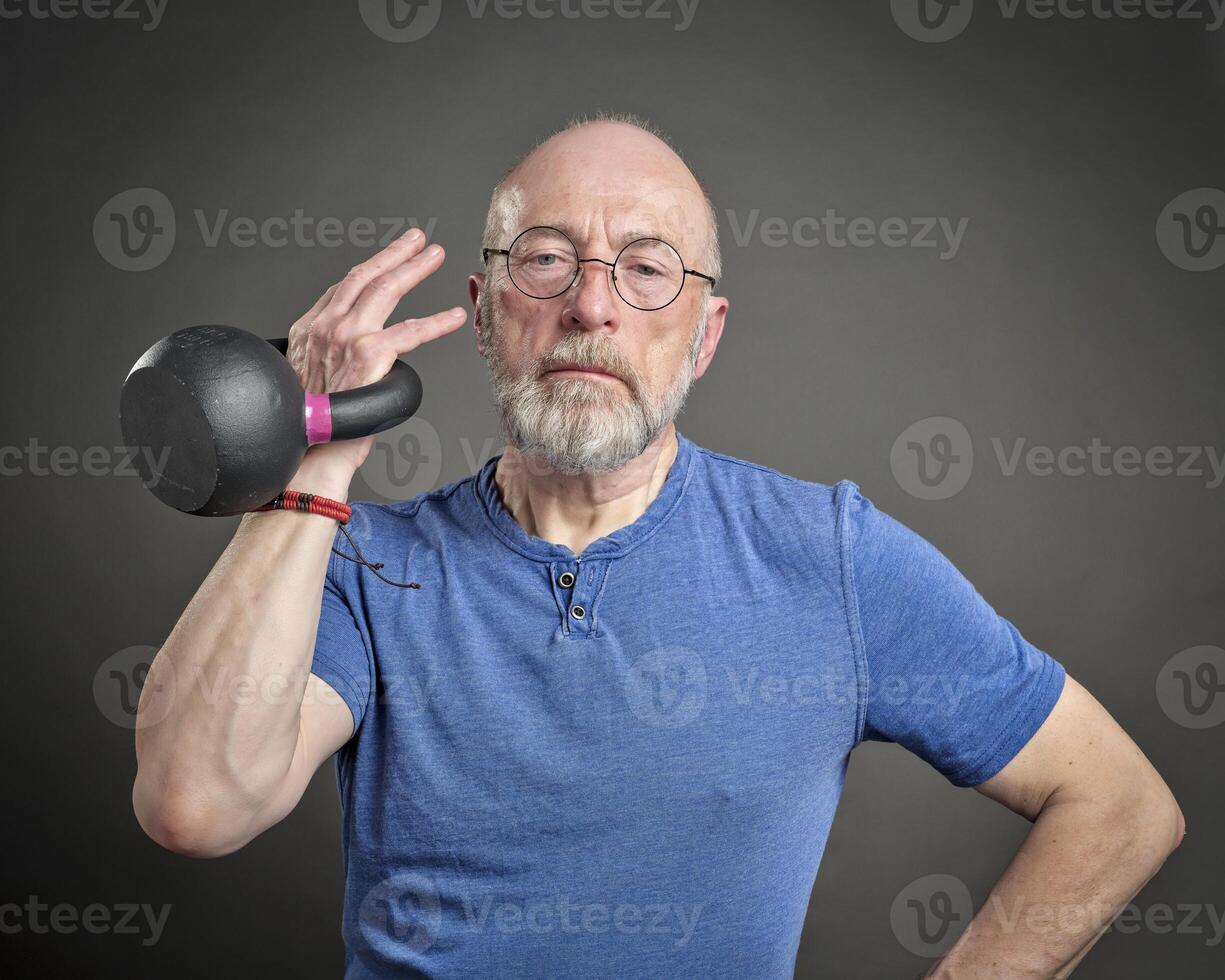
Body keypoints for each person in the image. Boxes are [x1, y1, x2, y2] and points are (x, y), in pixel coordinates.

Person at [131, 111, 1184, 978]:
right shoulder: (359, 560)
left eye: (647, 270)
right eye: (545, 261)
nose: (592, 304)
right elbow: (197, 804)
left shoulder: (831, 557)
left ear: (706, 333)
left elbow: (1119, 804)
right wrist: (315, 463)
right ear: (487, 312)